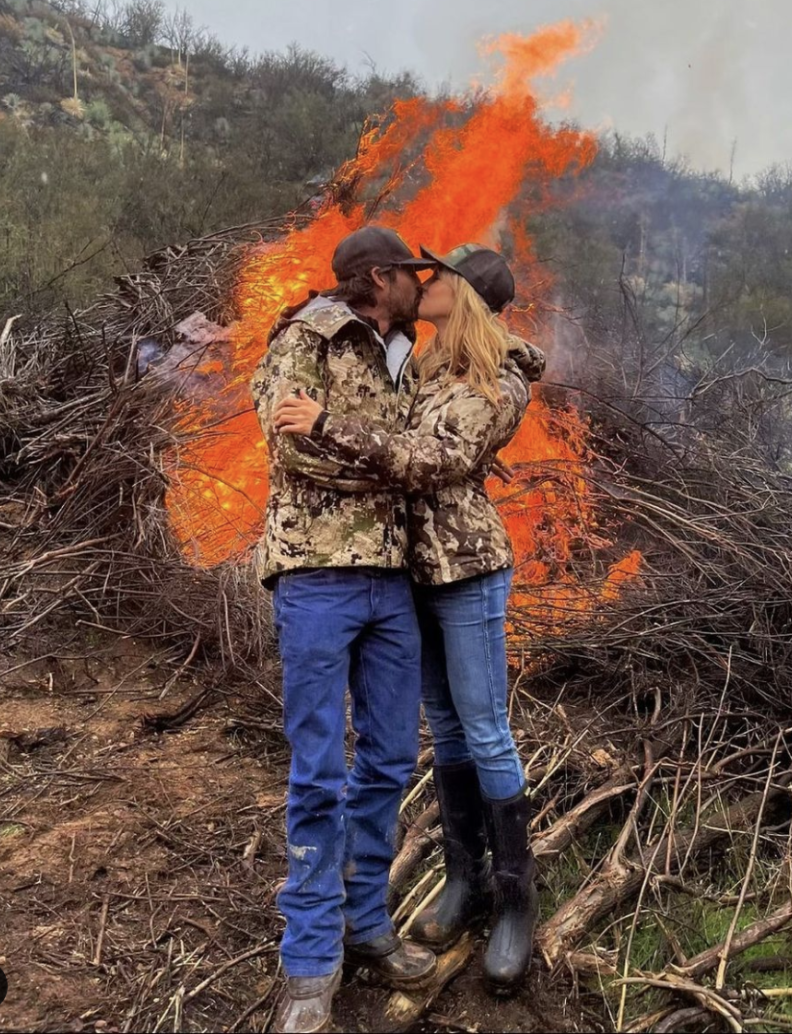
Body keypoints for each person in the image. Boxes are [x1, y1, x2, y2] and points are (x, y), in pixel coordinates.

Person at [274, 244, 545, 995]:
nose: (425, 284)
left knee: (485, 728)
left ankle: (516, 903)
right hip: (411, 573)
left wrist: (328, 425)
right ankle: (466, 881)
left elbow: (437, 461)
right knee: (448, 732)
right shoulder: (422, 366)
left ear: (465, 296)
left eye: (439, 277)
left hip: (466, 572)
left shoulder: (499, 378)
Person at [250, 226, 439, 1034]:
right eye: (408, 273)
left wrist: (351, 437)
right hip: (317, 576)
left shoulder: (410, 354)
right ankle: (309, 961)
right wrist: (390, 459)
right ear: (374, 277)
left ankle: (367, 926)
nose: (418, 286)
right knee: (319, 770)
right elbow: (292, 451)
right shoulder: (306, 337)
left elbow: (430, 456)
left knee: (392, 759)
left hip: (392, 581)